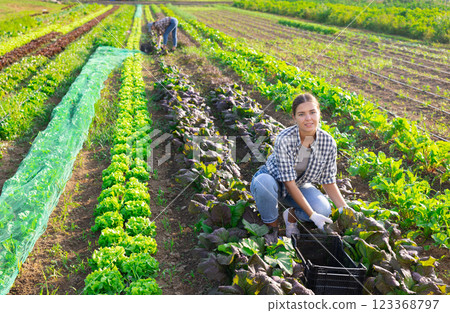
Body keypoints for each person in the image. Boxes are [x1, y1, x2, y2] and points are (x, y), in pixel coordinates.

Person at [250, 93, 350, 239]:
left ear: (319, 113)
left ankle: (291, 216)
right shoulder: (285, 139)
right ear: (294, 117)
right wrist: (311, 215)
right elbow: (288, 182)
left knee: (323, 209)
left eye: (312, 112)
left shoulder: (328, 142)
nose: (308, 118)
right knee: (263, 183)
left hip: (300, 185)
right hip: (272, 183)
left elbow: (328, 181)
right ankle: (272, 230)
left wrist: (346, 211)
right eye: (301, 114)